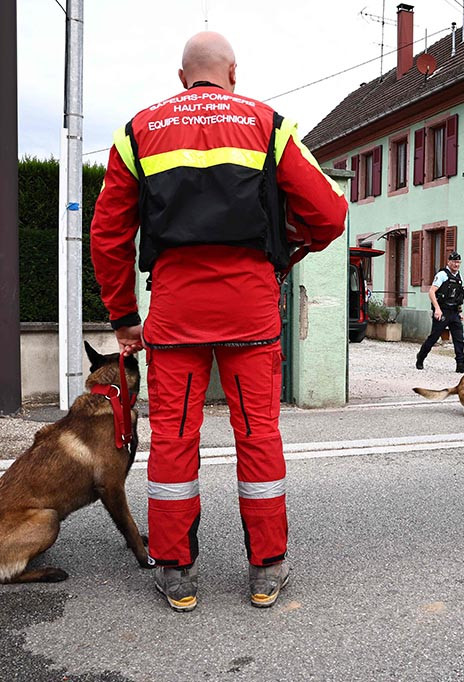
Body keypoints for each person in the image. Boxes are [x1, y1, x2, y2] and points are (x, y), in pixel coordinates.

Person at [89, 32, 347, 612]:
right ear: (233, 72)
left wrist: (125, 316)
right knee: (258, 435)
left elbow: (108, 234)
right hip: (250, 310)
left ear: (182, 77)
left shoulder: (137, 131)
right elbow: (330, 214)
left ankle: (176, 572)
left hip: (175, 314)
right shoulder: (269, 124)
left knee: (174, 439)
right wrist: (290, 244)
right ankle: (266, 569)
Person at [416, 252, 464, 373]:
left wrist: (460, 312)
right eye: (454, 262)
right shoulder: (442, 275)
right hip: (442, 311)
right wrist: (437, 309)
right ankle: (421, 357)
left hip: (454, 311)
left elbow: (459, 296)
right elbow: (431, 292)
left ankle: (460, 364)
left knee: (459, 338)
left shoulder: (459, 277)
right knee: (434, 337)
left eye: (458, 262)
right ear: (448, 262)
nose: (456, 264)